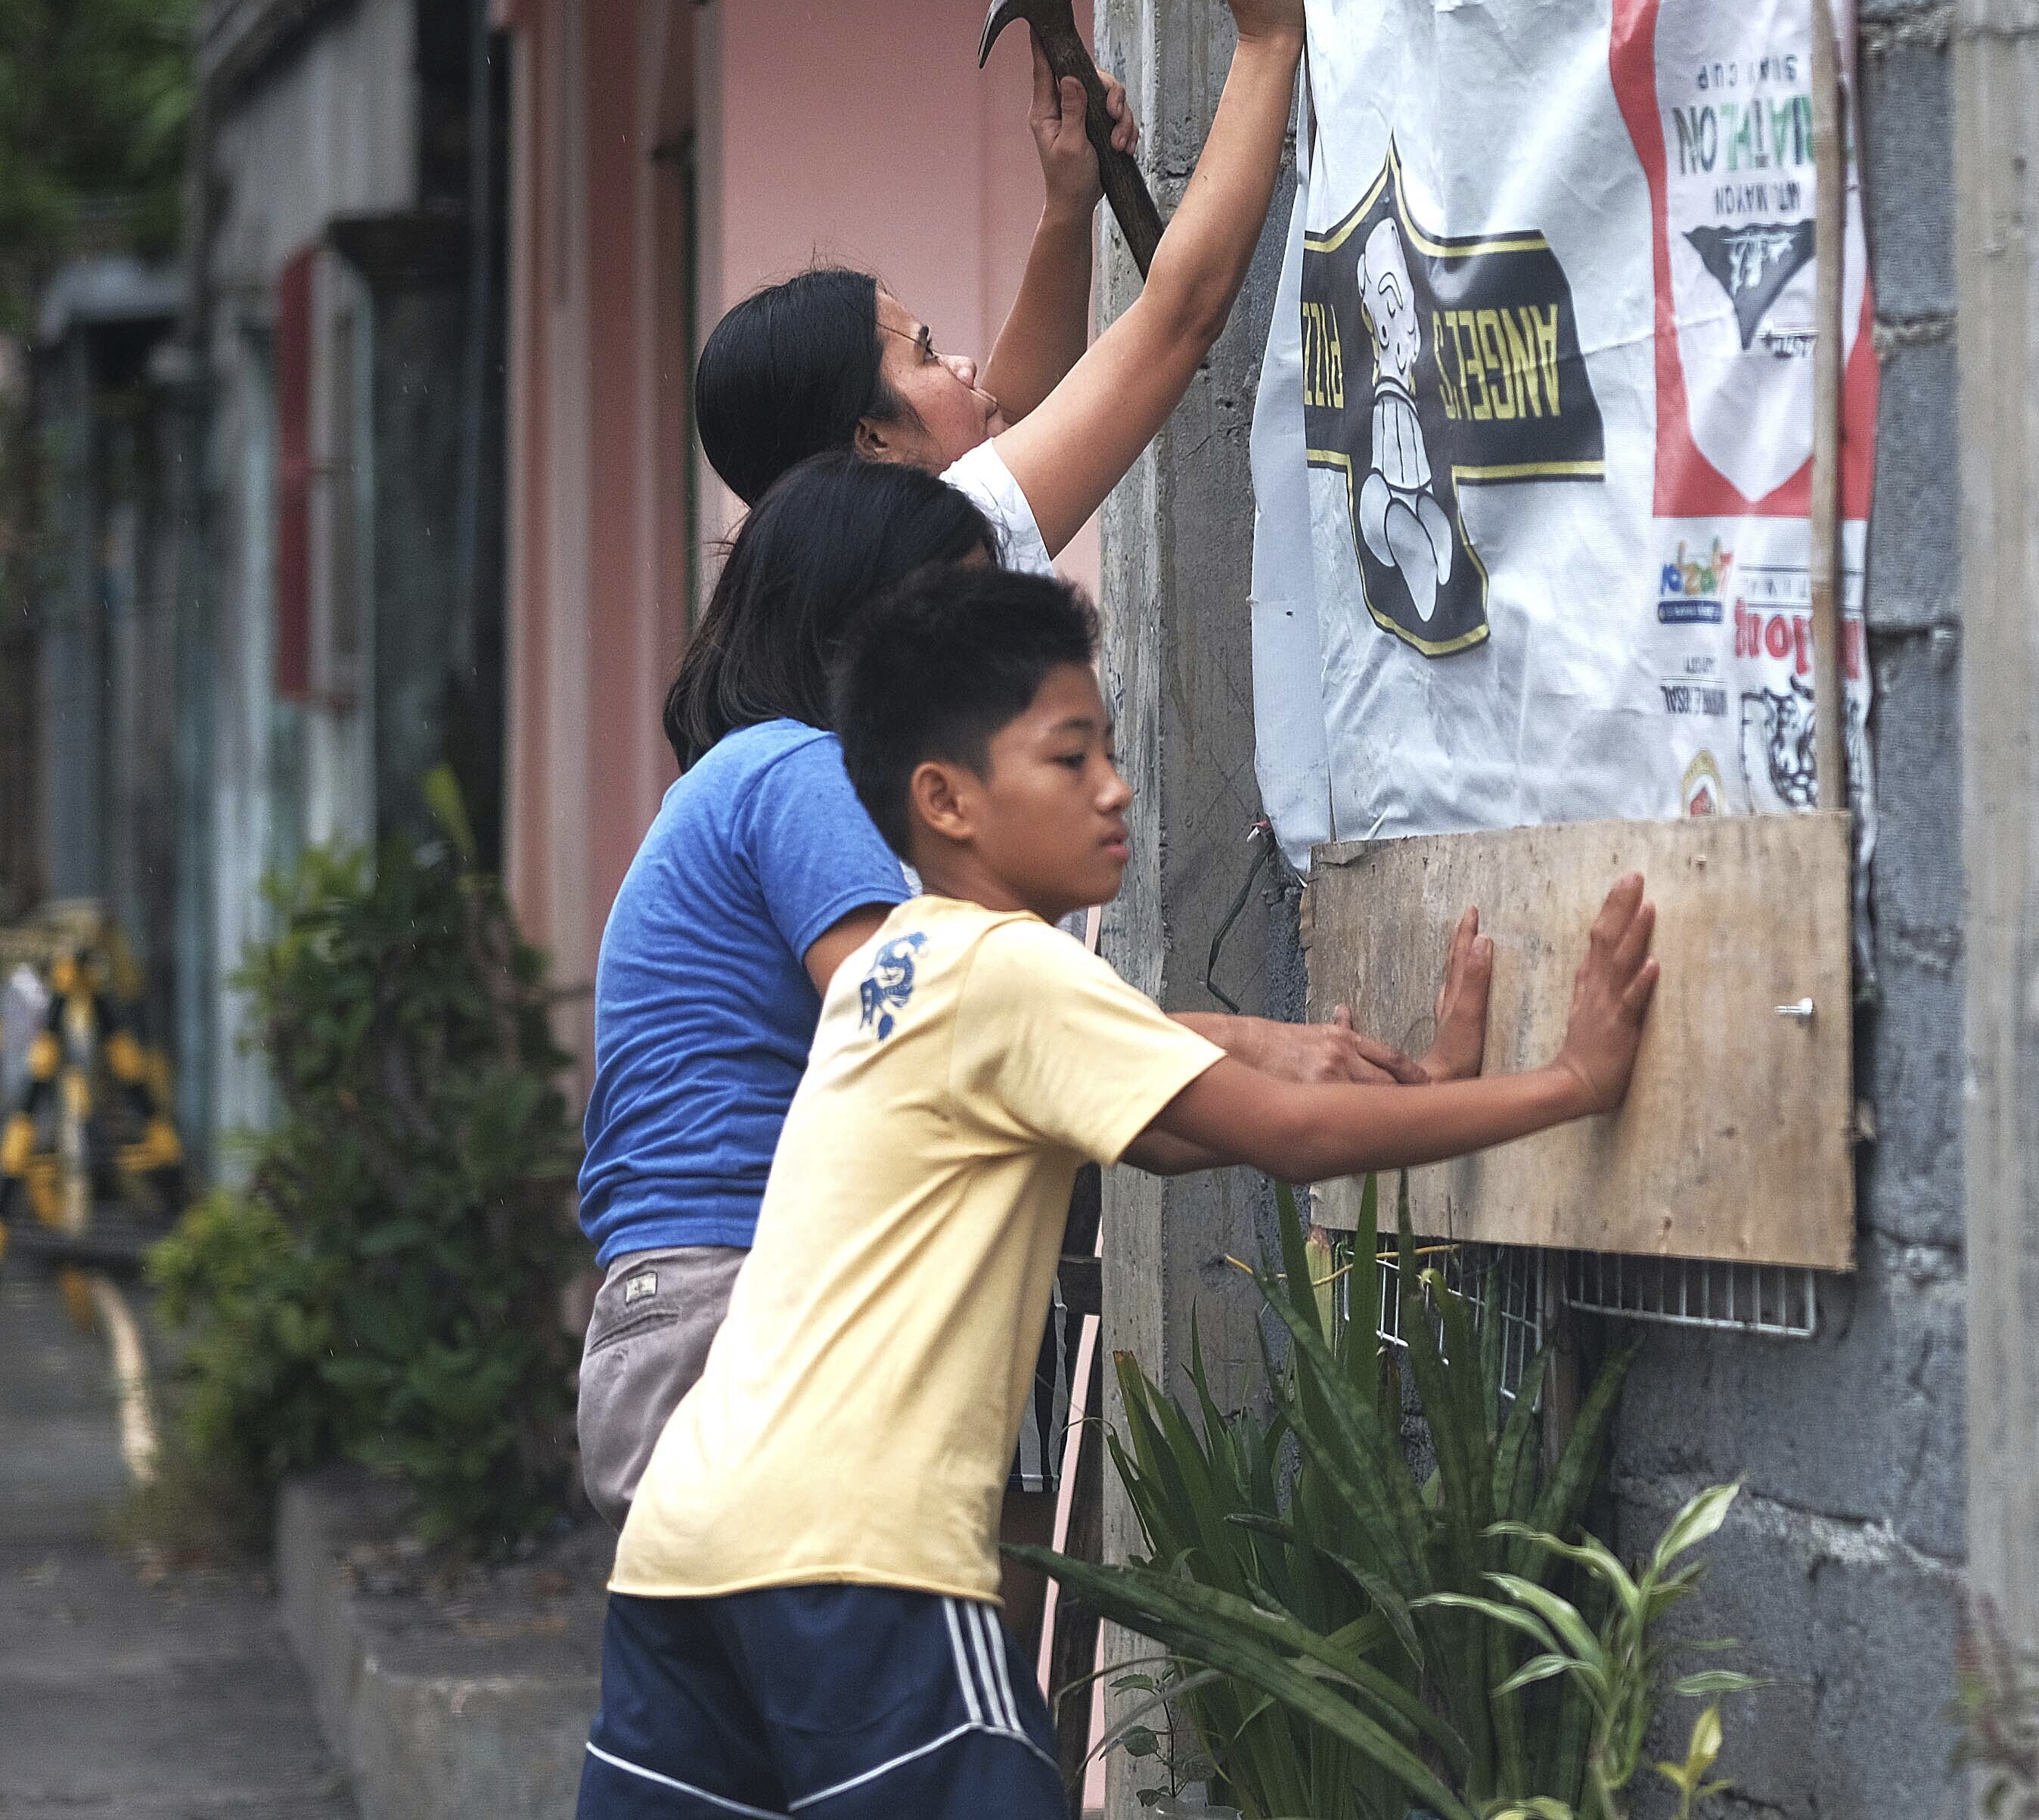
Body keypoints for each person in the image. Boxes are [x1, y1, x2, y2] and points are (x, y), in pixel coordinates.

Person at [579, 568, 1658, 1820]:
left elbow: (1185, 1130)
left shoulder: (907, 967)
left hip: (688, 1546)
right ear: (947, 799)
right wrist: (1573, 1081)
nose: (1117, 788)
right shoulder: (1010, 968)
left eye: (1113, 750)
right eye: (1070, 756)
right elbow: (1294, 1133)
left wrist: (1420, 1101)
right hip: (850, 1551)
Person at [575, 457, 1423, 1527]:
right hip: (743, 1316)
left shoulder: (765, 787)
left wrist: (1278, 1074)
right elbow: (956, 1038)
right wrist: (1272, 1057)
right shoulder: (798, 775)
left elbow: (1078, 1092)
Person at [691, 0, 1302, 578]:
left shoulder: (827, 575)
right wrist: (1267, 35)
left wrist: (1070, 206)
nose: (963, 364)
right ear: (872, 440)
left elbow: (1010, 412)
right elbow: (1181, 315)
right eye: (924, 352)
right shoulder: (932, 548)